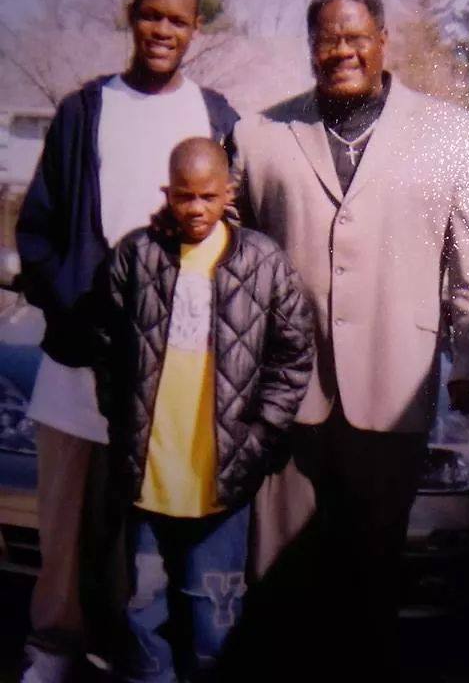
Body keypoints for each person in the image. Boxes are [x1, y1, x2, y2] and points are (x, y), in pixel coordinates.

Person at [231, 0, 469, 676]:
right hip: (286, 397)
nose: (342, 51)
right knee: (277, 578)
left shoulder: (451, 135)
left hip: (393, 389)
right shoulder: (260, 136)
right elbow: (226, 257)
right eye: (327, 38)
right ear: (311, 47)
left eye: (356, 36)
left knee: (371, 578)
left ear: (383, 41)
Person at [16, 0, 239, 683]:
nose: (162, 31)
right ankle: (52, 645)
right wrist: (72, 314)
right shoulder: (86, 111)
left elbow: (237, 236)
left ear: (194, 30)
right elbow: (40, 231)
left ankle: (131, 652)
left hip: (172, 374)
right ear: (131, 16)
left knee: (147, 530)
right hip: (81, 358)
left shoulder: (215, 117)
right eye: (151, 16)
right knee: (67, 520)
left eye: (177, 20)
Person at [92, 137, 314, 682]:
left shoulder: (263, 261)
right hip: (148, 474)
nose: (195, 210)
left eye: (208, 197)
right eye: (184, 197)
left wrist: (260, 437)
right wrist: (123, 424)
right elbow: (106, 343)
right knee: (143, 609)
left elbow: (294, 355)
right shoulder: (137, 255)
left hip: (223, 477)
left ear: (229, 192)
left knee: (214, 612)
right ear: (168, 193)